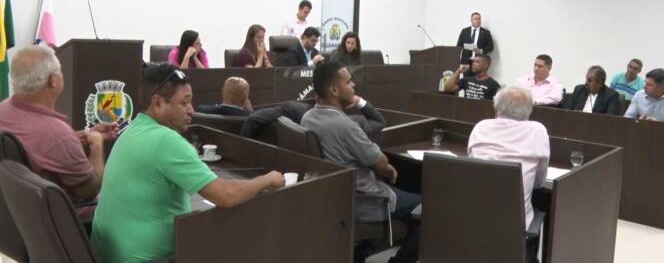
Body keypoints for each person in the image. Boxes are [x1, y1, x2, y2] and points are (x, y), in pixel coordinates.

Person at [91, 64, 284, 263]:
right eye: (184, 103)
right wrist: (269, 179)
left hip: (107, 255)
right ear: (158, 103)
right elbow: (226, 196)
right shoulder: (166, 140)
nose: (191, 110)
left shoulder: (134, 128)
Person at [301, 62, 419, 263]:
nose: (354, 85)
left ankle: (361, 252)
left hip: (335, 198)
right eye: (349, 82)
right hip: (368, 201)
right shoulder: (345, 126)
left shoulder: (307, 117)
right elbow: (381, 163)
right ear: (334, 90)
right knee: (431, 208)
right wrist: (386, 169)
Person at [0, 46, 117, 218]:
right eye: (60, 71)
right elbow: (90, 190)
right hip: (59, 218)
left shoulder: (3, 109)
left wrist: (76, 137)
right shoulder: (57, 134)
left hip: (18, 214)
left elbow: (35, 142)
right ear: (53, 80)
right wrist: (97, 144)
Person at [467, 86, 549, 229]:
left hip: (473, 220)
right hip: (515, 227)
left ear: (496, 106)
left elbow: (470, 169)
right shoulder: (538, 131)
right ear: (529, 110)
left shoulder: (481, 127)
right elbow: (539, 183)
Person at [242, 96, 386, 139]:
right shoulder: (352, 123)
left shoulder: (296, 110)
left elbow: (253, 119)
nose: (353, 85)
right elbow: (379, 122)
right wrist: (360, 101)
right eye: (349, 83)